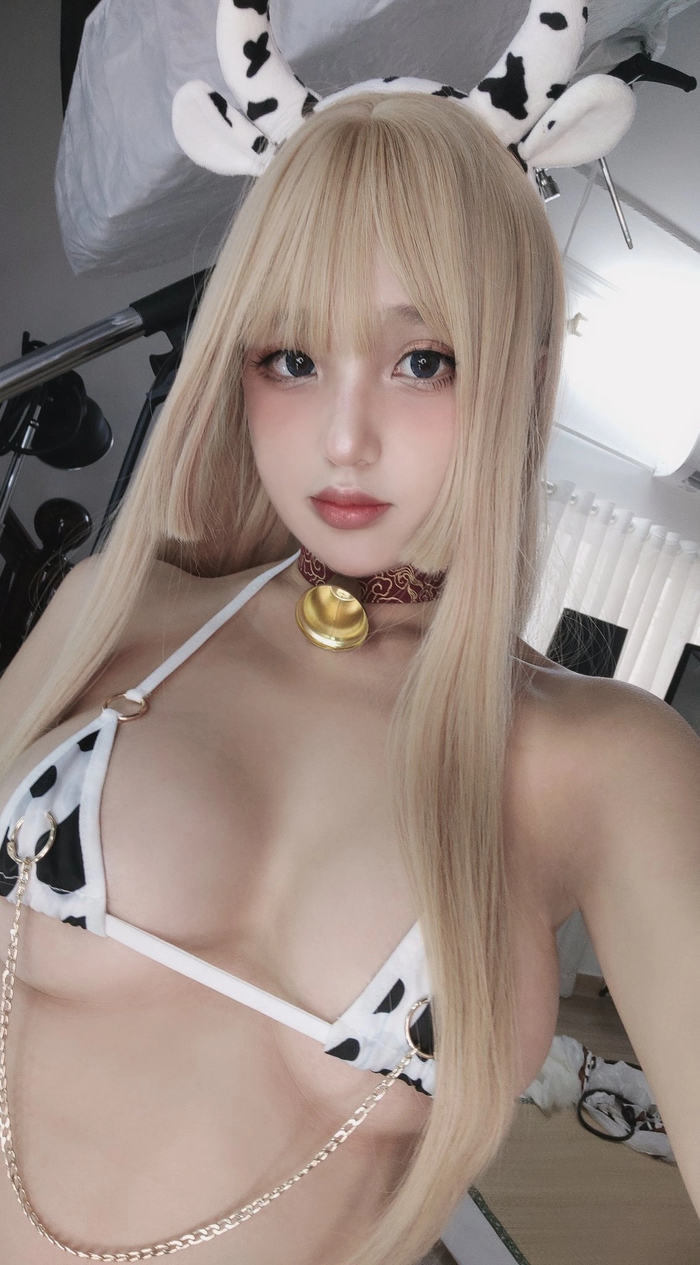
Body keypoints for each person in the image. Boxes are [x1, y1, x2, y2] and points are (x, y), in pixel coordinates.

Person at [0, 89, 698, 1265]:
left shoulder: (600, 761)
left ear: (524, 378)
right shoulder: (114, 613)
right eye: (293, 358)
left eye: (422, 361)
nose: (342, 437)